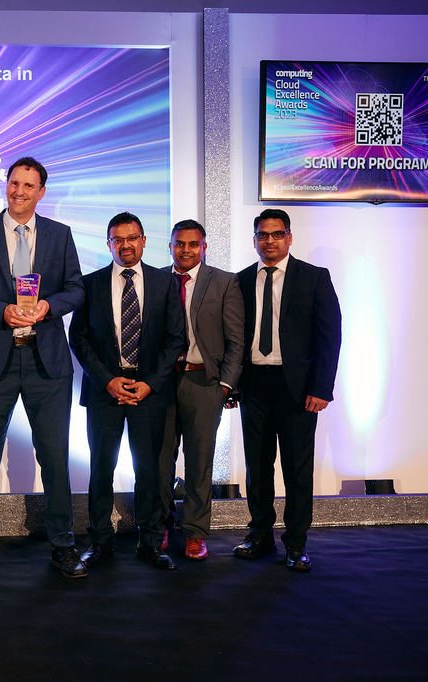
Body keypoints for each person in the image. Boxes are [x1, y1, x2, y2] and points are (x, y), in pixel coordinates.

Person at [0, 157, 87, 581]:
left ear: (41, 191)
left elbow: (76, 289)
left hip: (46, 362)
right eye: (13, 183)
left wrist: (48, 307)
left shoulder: (60, 235)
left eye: (28, 185)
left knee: (55, 456)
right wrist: (0, 310)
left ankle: (63, 544)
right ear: (5, 186)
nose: (19, 191)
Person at [70, 211, 185, 570]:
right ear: (109, 244)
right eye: (117, 239)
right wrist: (108, 380)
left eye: (131, 238)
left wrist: (149, 383)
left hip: (149, 391)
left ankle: (150, 543)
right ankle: (99, 542)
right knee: (101, 468)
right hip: (105, 390)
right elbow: (79, 338)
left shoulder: (165, 283)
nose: (125, 245)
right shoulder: (90, 284)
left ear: (144, 241)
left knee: (149, 471)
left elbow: (175, 339)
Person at [233, 208, 341, 572]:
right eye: (263, 235)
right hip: (254, 386)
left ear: (289, 237)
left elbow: (330, 336)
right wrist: (232, 384)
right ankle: (259, 535)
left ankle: (296, 543)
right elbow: (233, 336)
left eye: (277, 234)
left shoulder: (314, 278)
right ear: (254, 240)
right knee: (257, 468)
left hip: (298, 389)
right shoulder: (240, 280)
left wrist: (321, 387)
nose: (270, 241)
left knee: (297, 469)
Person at [157, 219, 244, 561]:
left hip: (204, 383)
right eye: (180, 243)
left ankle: (195, 533)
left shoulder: (224, 282)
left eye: (194, 244)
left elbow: (236, 339)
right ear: (170, 246)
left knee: (200, 462)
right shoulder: (156, 280)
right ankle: (161, 526)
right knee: (159, 460)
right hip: (161, 384)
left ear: (204, 247)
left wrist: (224, 385)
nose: (186, 250)